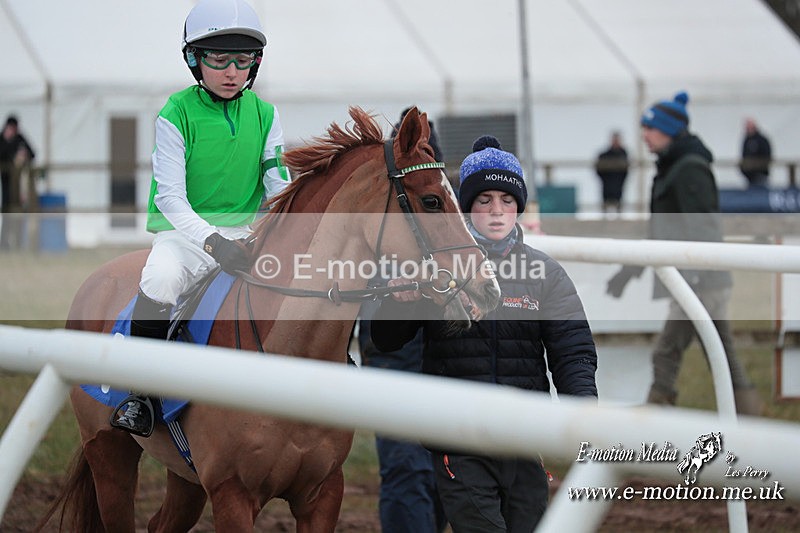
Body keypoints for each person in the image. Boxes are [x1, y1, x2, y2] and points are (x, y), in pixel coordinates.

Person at [371, 136, 598, 532]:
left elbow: (572, 352)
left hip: (525, 441)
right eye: (484, 200)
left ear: (519, 207)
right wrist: (402, 301)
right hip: (459, 442)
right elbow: (386, 339)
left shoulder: (546, 273)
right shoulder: (436, 269)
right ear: (466, 206)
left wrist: (585, 418)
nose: (496, 211)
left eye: (507, 200)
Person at [110, 0, 291, 437]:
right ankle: (140, 395)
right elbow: (170, 198)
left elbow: (278, 185)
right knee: (160, 279)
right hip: (184, 236)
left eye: (243, 60)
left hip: (246, 234)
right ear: (194, 60)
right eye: (218, 59)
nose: (232, 71)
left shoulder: (266, 115)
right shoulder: (175, 113)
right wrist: (213, 242)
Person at [606, 91, 762, 416]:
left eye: (651, 128)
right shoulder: (673, 167)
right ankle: (749, 419)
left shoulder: (688, 168)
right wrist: (628, 272)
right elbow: (659, 233)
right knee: (721, 355)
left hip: (699, 281)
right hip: (697, 278)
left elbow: (703, 228)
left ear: (669, 130)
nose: (644, 135)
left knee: (667, 353)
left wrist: (694, 278)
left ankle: (654, 418)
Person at [356, 108, 447, 533]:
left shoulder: (442, 214)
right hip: (394, 358)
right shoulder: (379, 218)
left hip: (437, 361)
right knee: (407, 467)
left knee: (438, 470)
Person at [0, 115, 36, 250]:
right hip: (6, 186)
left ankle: (19, 243)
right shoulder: (2, 140)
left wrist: (23, 154)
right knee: (7, 214)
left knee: (20, 215)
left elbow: (32, 153)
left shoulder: (20, 138)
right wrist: (7, 140)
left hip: (20, 187)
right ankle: (4, 243)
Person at [594, 130, 629, 214]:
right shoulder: (604, 155)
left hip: (618, 185)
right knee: (605, 208)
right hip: (607, 185)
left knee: (618, 207)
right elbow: (598, 169)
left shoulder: (623, 154)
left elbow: (626, 170)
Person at [738, 117, 772, 188]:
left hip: (761, 176)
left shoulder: (762, 140)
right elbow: (744, 156)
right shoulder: (746, 140)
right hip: (749, 177)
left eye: (749, 127)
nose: (748, 130)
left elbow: (767, 156)